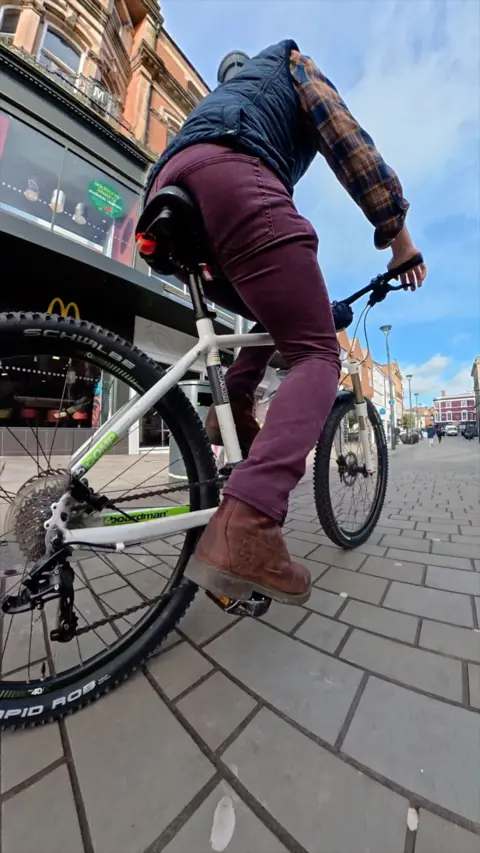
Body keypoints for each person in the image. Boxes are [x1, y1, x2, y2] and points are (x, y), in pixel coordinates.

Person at [142, 41, 427, 605]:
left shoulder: (213, 107)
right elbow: (348, 140)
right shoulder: (288, 63)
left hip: (165, 201)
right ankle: (249, 523)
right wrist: (400, 239)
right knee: (317, 354)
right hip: (230, 180)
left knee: (269, 315)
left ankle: (233, 408)